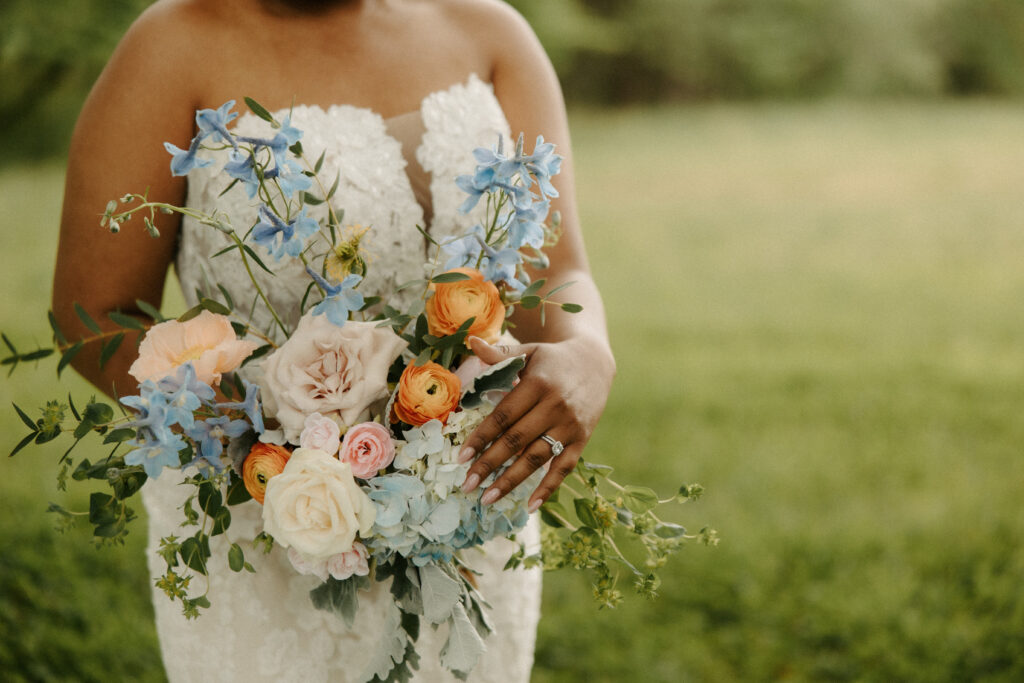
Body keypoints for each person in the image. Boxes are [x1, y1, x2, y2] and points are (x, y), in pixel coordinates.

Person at [52, 0, 615, 680]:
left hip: (467, 512)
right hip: (269, 525)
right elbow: (92, 316)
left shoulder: (492, 33)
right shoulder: (172, 46)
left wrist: (587, 351)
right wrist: (263, 435)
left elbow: (557, 269)